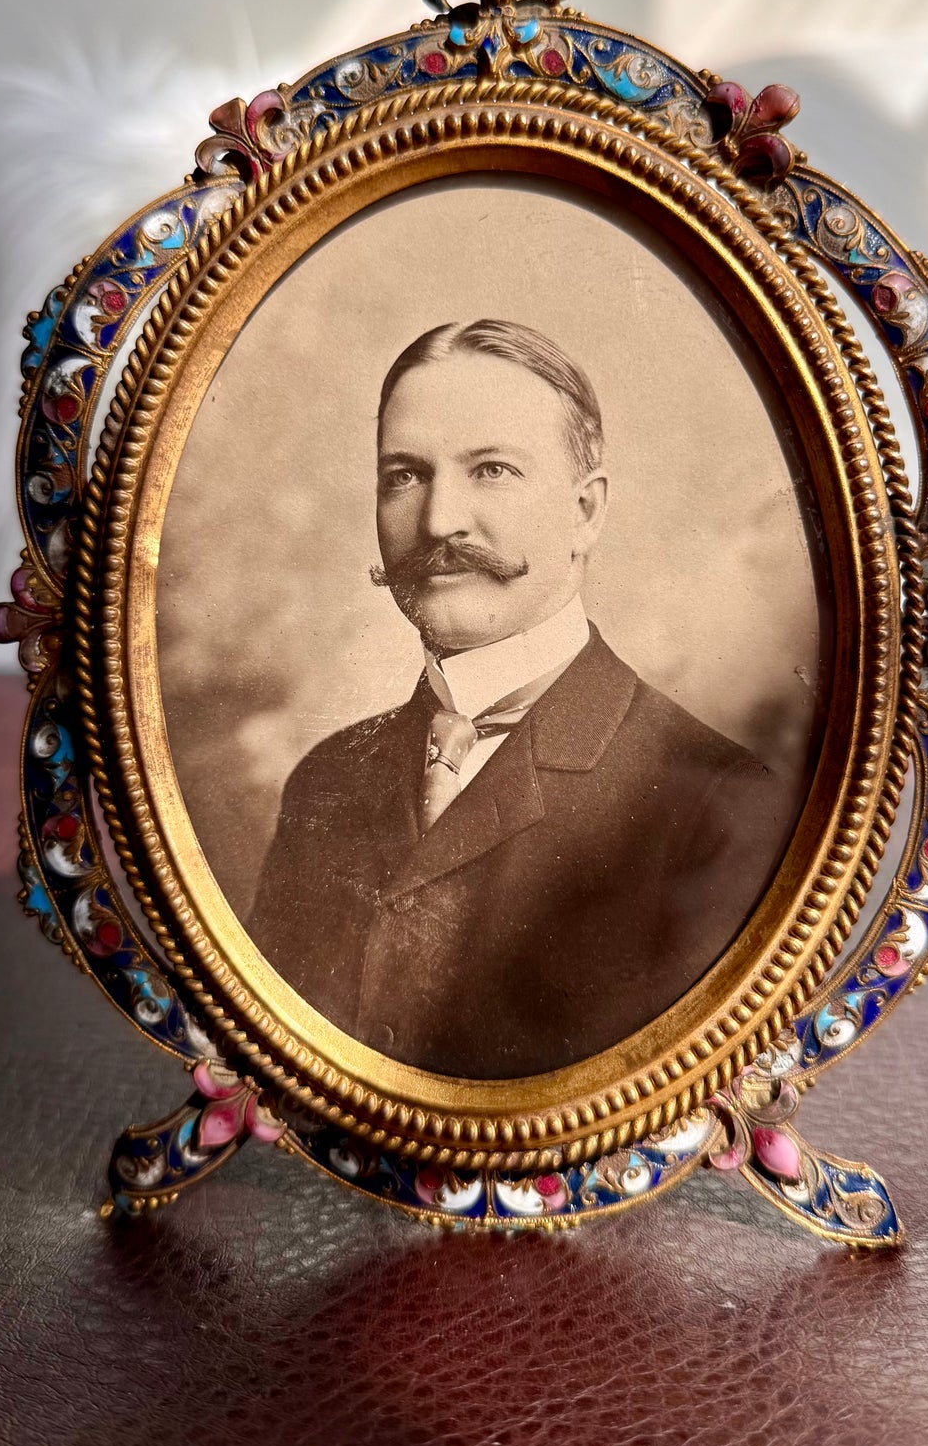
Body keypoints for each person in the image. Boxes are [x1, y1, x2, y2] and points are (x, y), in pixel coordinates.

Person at [248, 319, 795, 1079]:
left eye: (492, 470)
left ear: (585, 511)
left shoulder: (715, 805)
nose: (439, 520)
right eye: (403, 474)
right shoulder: (327, 778)